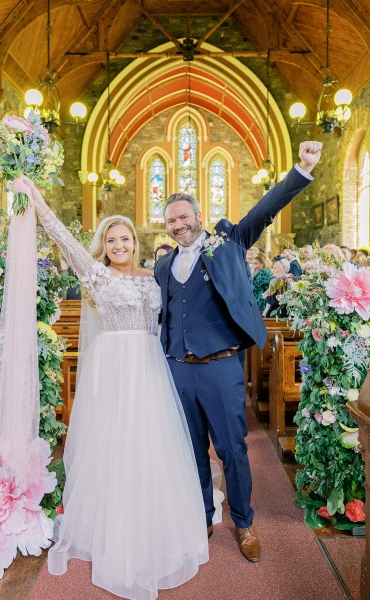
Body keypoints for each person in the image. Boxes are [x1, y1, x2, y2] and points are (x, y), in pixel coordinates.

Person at [25, 180, 208, 600]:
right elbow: (65, 240)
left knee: (151, 444)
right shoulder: (97, 275)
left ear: (136, 242)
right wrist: (39, 204)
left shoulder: (154, 275)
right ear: (104, 247)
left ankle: (154, 524)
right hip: (114, 367)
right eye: (112, 240)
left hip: (149, 366)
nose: (119, 244)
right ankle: (108, 528)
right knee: (114, 444)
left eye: (125, 238)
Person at [154, 140, 322, 563]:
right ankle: (203, 516)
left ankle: (244, 522)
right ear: (166, 225)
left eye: (184, 217)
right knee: (189, 448)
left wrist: (302, 169)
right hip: (177, 368)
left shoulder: (228, 242)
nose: (178, 225)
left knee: (231, 449)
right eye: (171, 220)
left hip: (221, 367)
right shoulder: (162, 266)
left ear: (198, 217)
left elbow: (265, 209)